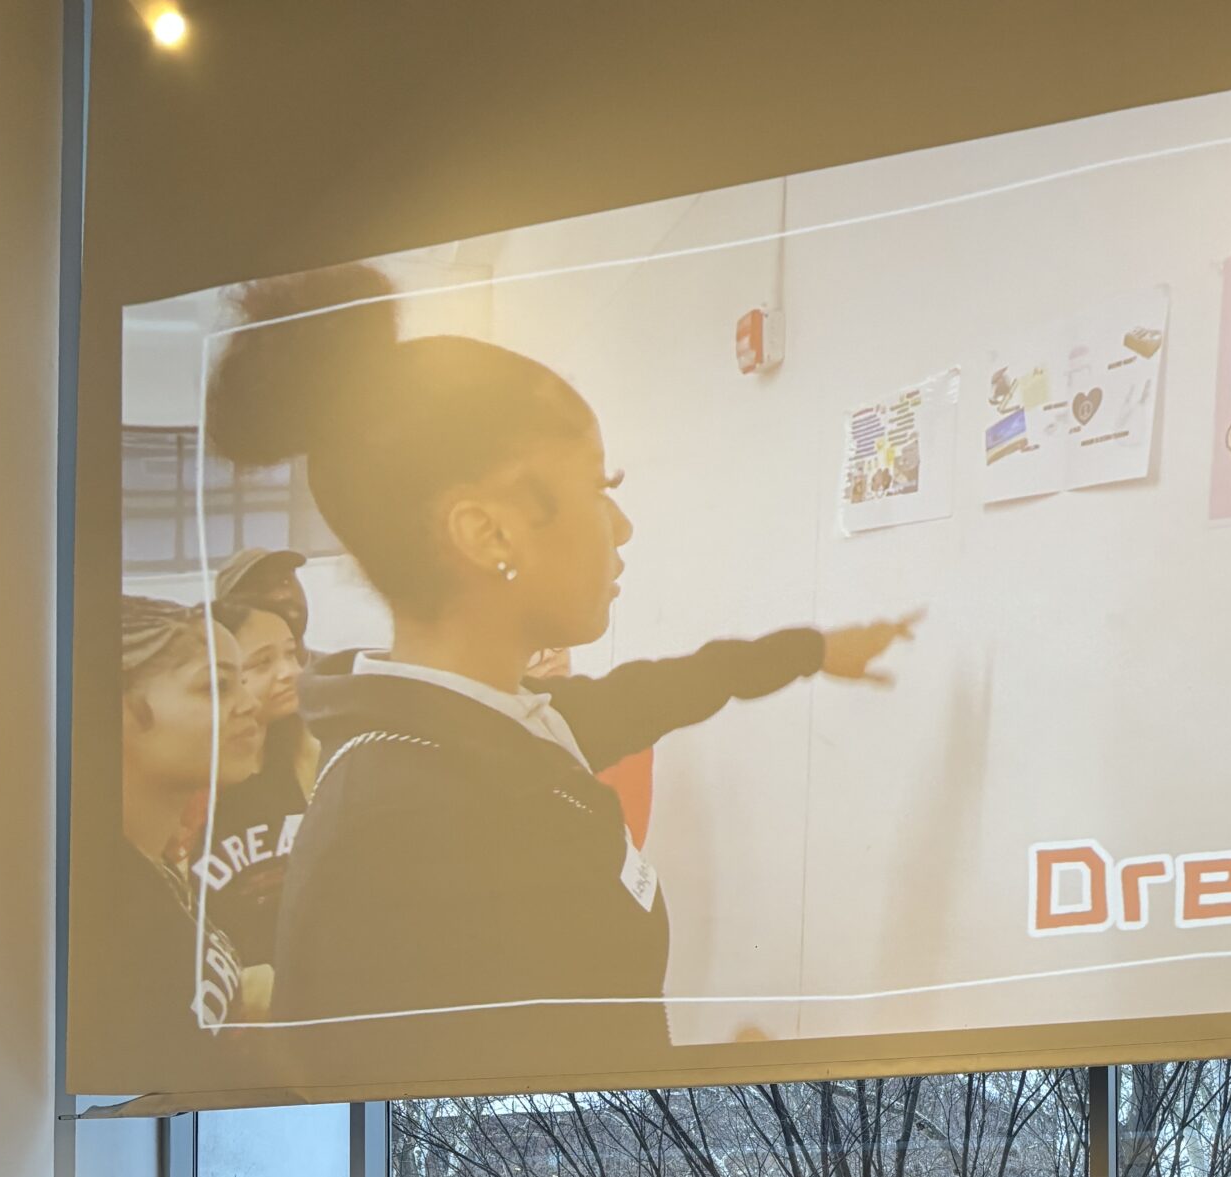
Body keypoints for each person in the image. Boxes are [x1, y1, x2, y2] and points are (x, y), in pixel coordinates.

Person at [203, 262, 919, 1040]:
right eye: (595, 484)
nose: (621, 526)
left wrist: (815, 649)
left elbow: (668, 689)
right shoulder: (411, 830)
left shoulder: (484, 731)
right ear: (489, 534)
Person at [120, 597, 264, 1046]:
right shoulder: (104, 903)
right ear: (118, 711)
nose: (251, 704)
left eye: (241, 682)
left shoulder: (151, 862)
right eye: (217, 687)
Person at [194, 590, 320, 975]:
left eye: (290, 653)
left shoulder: (309, 756)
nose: (290, 671)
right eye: (263, 662)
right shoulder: (188, 784)